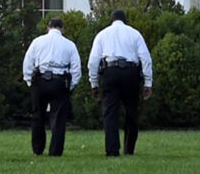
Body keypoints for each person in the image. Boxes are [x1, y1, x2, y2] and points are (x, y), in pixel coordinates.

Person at [88, 10, 153, 157]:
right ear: (125, 20)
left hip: (110, 72)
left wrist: (94, 83)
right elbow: (146, 58)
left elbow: (93, 61)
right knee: (132, 111)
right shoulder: (135, 34)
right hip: (131, 73)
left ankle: (112, 150)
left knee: (110, 112)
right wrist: (148, 82)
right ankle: (129, 148)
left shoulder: (102, 34)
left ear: (111, 20)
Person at [22, 17, 82, 157]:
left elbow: (28, 63)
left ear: (48, 28)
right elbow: (76, 69)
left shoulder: (37, 42)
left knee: (38, 116)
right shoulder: (69, 45)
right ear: (63, 28)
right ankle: (55, 151)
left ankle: (37, 149)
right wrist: (70, 86)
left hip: (40, 81)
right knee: (59, 118)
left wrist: (30, 82)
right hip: (59, 82)